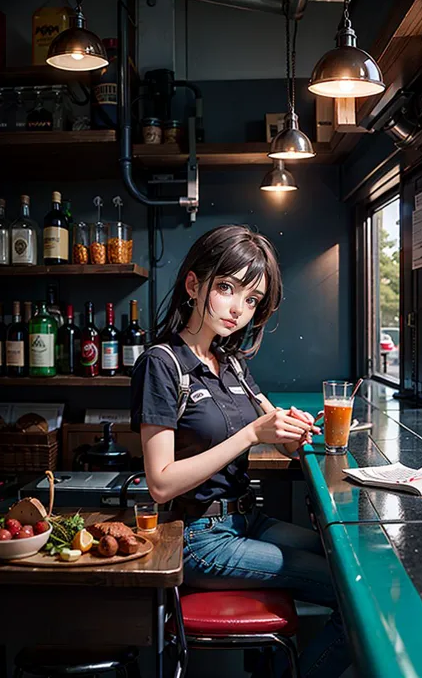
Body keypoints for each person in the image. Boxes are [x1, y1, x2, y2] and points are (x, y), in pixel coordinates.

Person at [131, 224, 350, 678]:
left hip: (246, 520)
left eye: (251, 300)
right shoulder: (162, 363)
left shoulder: (230, 362)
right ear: (194, 285)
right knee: (352, 590)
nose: (238, 309)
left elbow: (275, 426)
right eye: (227, 289)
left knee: (349, 562)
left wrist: (293, 434)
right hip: (198, 537)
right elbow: (160, 482)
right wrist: (252, 434)